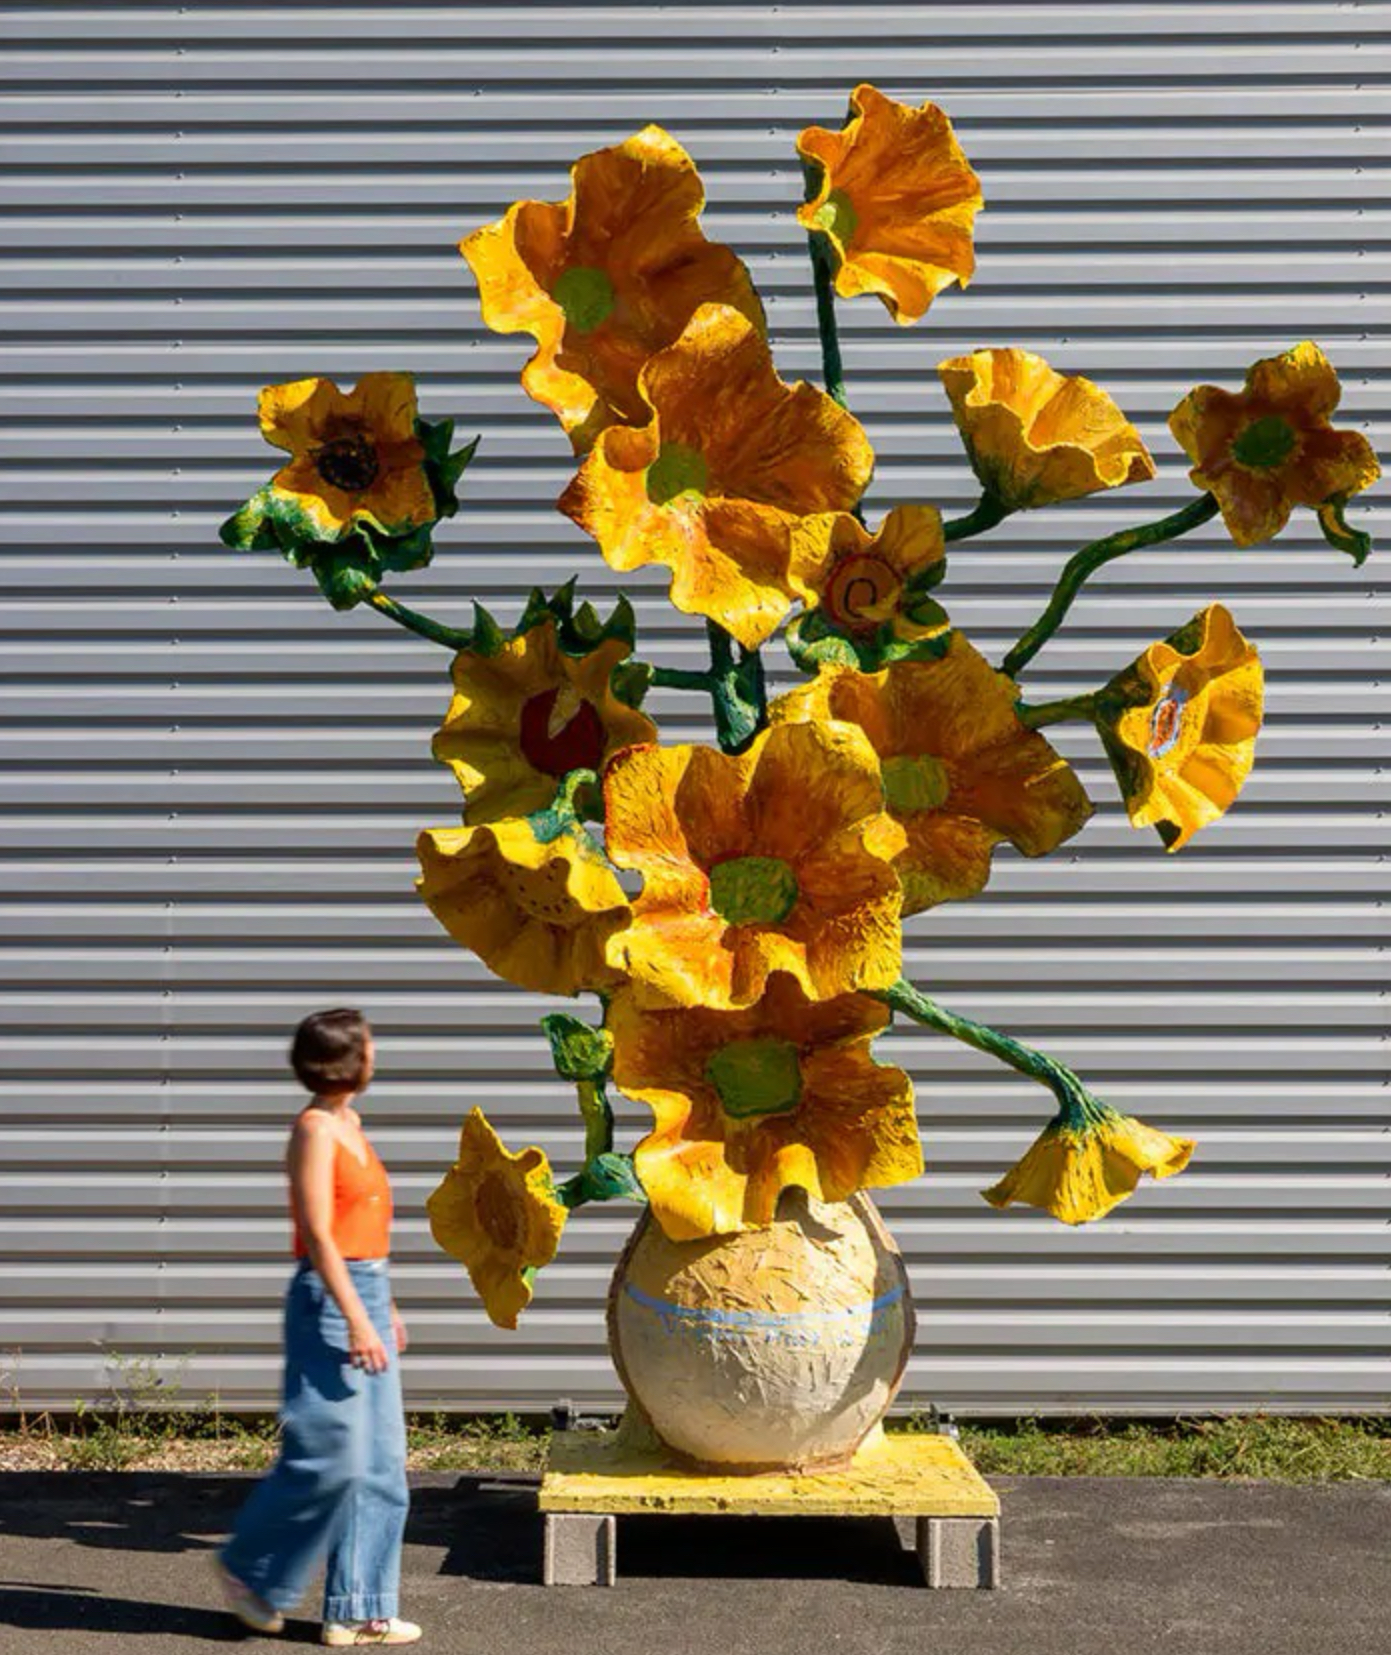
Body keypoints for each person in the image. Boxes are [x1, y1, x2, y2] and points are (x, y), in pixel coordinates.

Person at [214, 1008, 421, 1647]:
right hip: (330, 1299)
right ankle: (249, 1570)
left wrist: (384, 1306)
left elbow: (364, 1229)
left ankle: (358, 1609)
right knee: (332, 1459)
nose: (376, 1052)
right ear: (348, 1059)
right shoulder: (314, 1132)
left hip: (367, 1289)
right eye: (369, 1044)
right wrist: (358, 1316)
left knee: (383, 1464)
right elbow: (319, 1236)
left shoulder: (349, 1122)